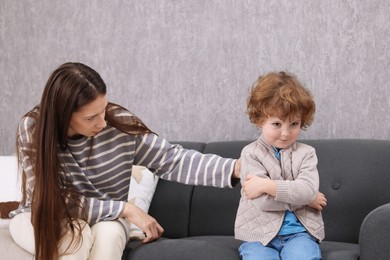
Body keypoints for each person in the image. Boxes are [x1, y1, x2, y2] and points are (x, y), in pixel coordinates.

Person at [9, 62, 241, 260]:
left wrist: (233, 167)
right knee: (75, 238)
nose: (102, 122)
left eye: (104, 109)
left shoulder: (117, 124)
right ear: (63, 115)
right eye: (91, 118)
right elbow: (53, 199)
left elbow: (172, 159)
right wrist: (127, 209)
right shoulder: (33, 129)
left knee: (107, 240)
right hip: (43, 215)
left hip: (109, 218)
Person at [234, 71, 327, 260]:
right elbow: (263, 202)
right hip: (259, 236)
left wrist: (266, 185)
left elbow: (308, 190)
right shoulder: (250, 154)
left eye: (294, 124)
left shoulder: (307, 153)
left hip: (300, 234)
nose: (285, 133)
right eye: (276, 124)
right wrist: (307, 199)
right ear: (260, 120)